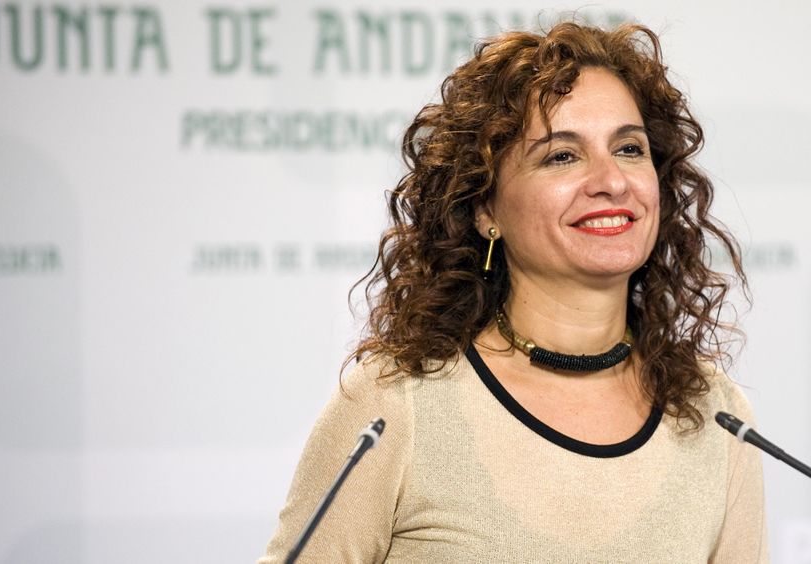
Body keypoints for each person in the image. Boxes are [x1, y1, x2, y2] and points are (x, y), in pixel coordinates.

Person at [260, 20, 768, 563]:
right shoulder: (393, 405)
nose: (612, 181)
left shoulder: (716, 414)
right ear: (485, 209)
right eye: (562, 156)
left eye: (629, 148)